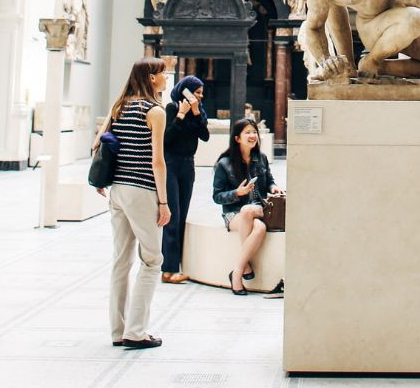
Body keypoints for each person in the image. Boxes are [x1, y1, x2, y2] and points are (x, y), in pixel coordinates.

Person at [94, 58, 169, 350]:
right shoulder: (155, 111)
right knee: (152, 260)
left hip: (118, 190)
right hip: (142, 189)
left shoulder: (119, 105)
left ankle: (117, 330)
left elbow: (99, 144)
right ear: (151, 78)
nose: (165, 78)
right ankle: (136, 332)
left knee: (121, 260)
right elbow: (158, 162)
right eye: (163, 73)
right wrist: (163, 201)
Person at [212, 118, 281, 295]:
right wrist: (237, 193)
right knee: (259, 228)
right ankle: (244, 267)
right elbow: (217, 196)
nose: (253, 136)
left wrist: (273, 187)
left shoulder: (261, 159)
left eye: (254, 132)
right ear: (237, 138)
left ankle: (237, 272)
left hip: (258, 208)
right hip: (233, 214)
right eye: (248, 132)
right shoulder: (224, 164)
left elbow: (270, 181)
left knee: (249, 210)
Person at [160, 75, 209, 283]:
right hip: (171, 163)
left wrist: (196, 113)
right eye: (196, 92)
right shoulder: (171, 108)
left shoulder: (199, 112)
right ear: (185, 91)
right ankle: (168, 269)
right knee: (172, 215)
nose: (200, 96)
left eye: (201, 93)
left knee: (182, 213)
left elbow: (204, 136)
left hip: (188, 164)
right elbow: (167, 139)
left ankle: (176, 265)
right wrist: (181, 115)